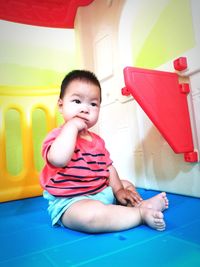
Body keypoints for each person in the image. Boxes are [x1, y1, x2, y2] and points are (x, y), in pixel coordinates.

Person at [40, 69, 169, 233]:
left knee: (126, 184)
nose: (85, 109)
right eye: (77, 101)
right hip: (71, 202)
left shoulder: (97, 141)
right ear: (61, 105)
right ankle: (140, 214)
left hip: (100, 191)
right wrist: (71, 126)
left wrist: (118, 190)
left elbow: (108, 168)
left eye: (93, 104)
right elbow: (58, 160)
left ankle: (142, 204)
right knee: (91, 216)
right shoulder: (57, 136)